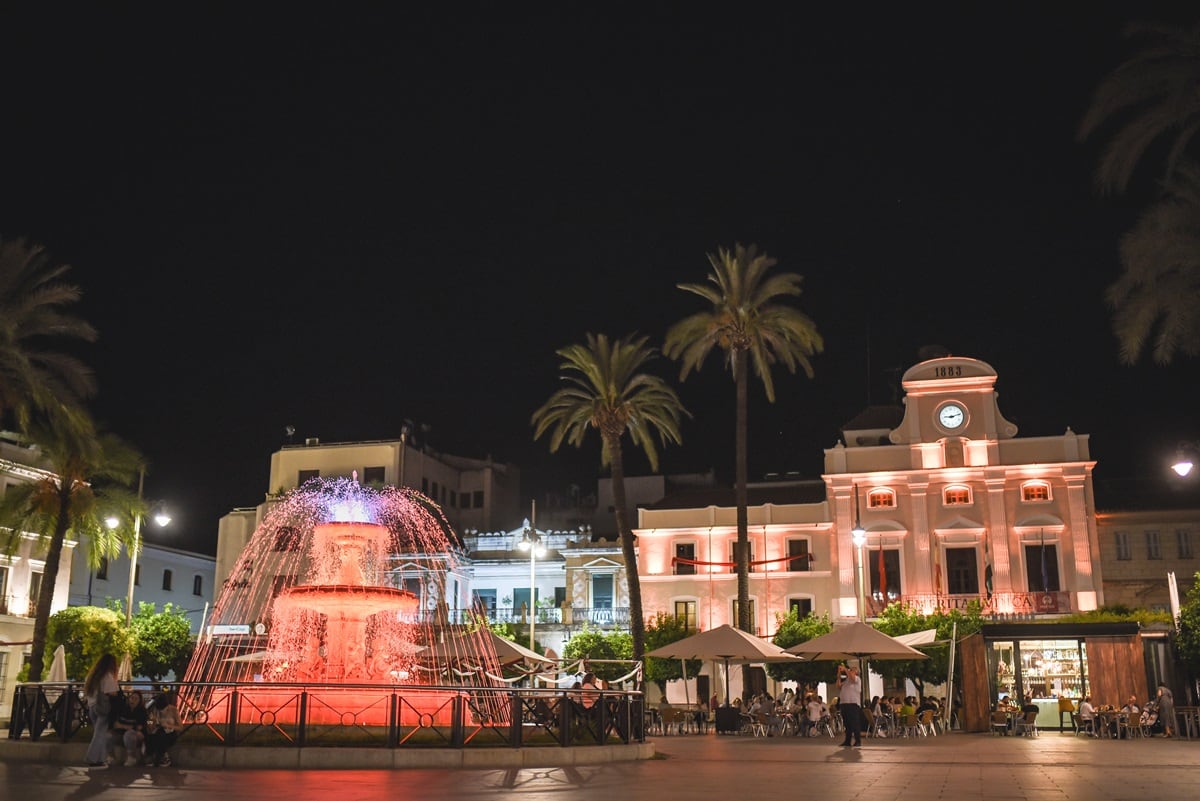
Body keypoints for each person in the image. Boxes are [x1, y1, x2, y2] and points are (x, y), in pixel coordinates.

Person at [83, 654, 120, 768]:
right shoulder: (107, 677)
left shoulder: (92, 677)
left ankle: (100, 759)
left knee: (100, 734)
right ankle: (92, 758)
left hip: (92, 707)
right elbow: (113, 692)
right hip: (102, 708)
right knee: (99, 734)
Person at [110, 690, 148, 766]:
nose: (133, 700)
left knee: (129, 734)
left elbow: (138, 728)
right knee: (107, 735)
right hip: (121, 733)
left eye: (136, 699)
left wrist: (122, 726)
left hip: (137, 736)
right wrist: (127, 727)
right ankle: (111, 757)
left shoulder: (142, 711)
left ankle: (132, 757)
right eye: (132, 698)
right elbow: (115, 724)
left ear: (140, 701)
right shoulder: (123, 709)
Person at [145, 691, 182, 766]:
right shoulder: (155, 710)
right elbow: (149, 724)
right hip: (157, 731)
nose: (162, 711)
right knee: (152, 736)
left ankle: (163, 758)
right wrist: (151, 721)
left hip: (170, 733)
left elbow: (180, 727)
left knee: (161, 736)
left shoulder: (173, 710)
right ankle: (154, 757)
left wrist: (169, 725)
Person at [836, 664, 863, 747]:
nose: (850, 670)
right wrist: (839, 676)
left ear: (856, 672)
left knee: (854, 723)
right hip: (844, 704)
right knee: (847, 724)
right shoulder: (847, 681)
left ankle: (857, 741)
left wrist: (845, 669)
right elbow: (838, 686)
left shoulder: (857, 679)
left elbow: (851, 677)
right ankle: (847, 741)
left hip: (853, 704)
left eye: (852, 670)